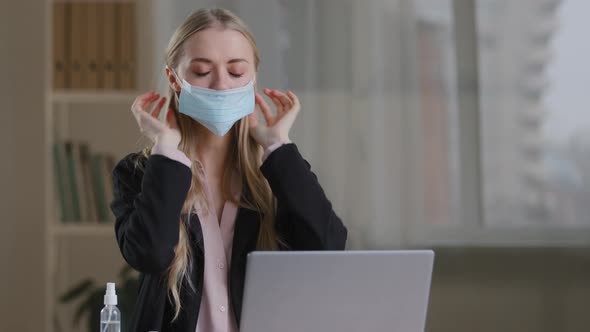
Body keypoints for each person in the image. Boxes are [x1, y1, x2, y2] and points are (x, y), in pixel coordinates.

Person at [110, 8, 347, 332]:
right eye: (202, 71)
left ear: (253, 78)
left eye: (236, 72)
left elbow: (327, 249)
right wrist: (166, 147)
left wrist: (278, 145)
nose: (221, 84)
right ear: (173, 79)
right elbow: (149, 254)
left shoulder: (278, 174)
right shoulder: (138, 172)